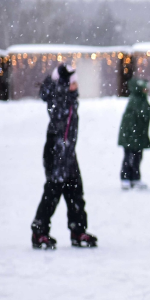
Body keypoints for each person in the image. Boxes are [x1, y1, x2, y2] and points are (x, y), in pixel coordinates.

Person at [31, 65, 97, 249]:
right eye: (73, 82)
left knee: (75, 191)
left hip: (67, 152)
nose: (76, 85)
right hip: (56, 151)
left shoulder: (68, 99)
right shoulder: (59, 98)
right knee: (52, 192)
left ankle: (78, 230)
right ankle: (39, 232)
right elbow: (55, 106)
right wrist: (61, 84)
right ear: (64, 83)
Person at [117, 77, 150, 190]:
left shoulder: (140, 98)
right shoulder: (136, 99)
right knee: (130, 157)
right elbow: (146, 112)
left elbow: (146, 111)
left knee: (137, 156)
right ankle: (126, 178)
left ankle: (134, 178)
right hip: (131, 135)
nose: (147, 90)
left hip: (136, 134)